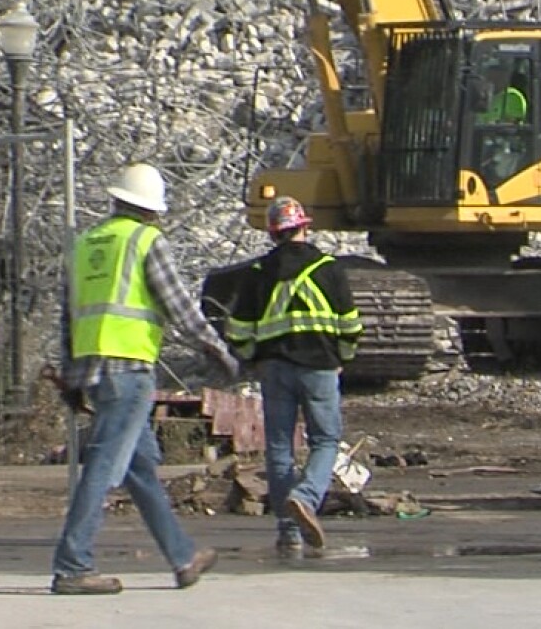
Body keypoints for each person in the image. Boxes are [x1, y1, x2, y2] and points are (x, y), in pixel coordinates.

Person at [50, 162, 241, 596]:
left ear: (118, 198)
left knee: (138, 467)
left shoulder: (83, 245)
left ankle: (182, 557)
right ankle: (72, 565)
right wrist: (216, 350)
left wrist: (72, 378)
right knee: (103, 466)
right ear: (152, 209)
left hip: (96, 373)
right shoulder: (145, 241)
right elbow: (179, 308)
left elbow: (67, 319)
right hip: (129, 370)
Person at [220, 195, 362, 553]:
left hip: (274, 369)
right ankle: (306, 496)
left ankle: (288, 530)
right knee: (326, 440)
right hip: (320, 367)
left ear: (272, 234)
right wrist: (343, 356)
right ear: (304, 227)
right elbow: (350, 323)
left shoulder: (257, 273)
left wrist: (252, 358)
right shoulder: (328, 268)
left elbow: (238, 329)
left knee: (280, 447)